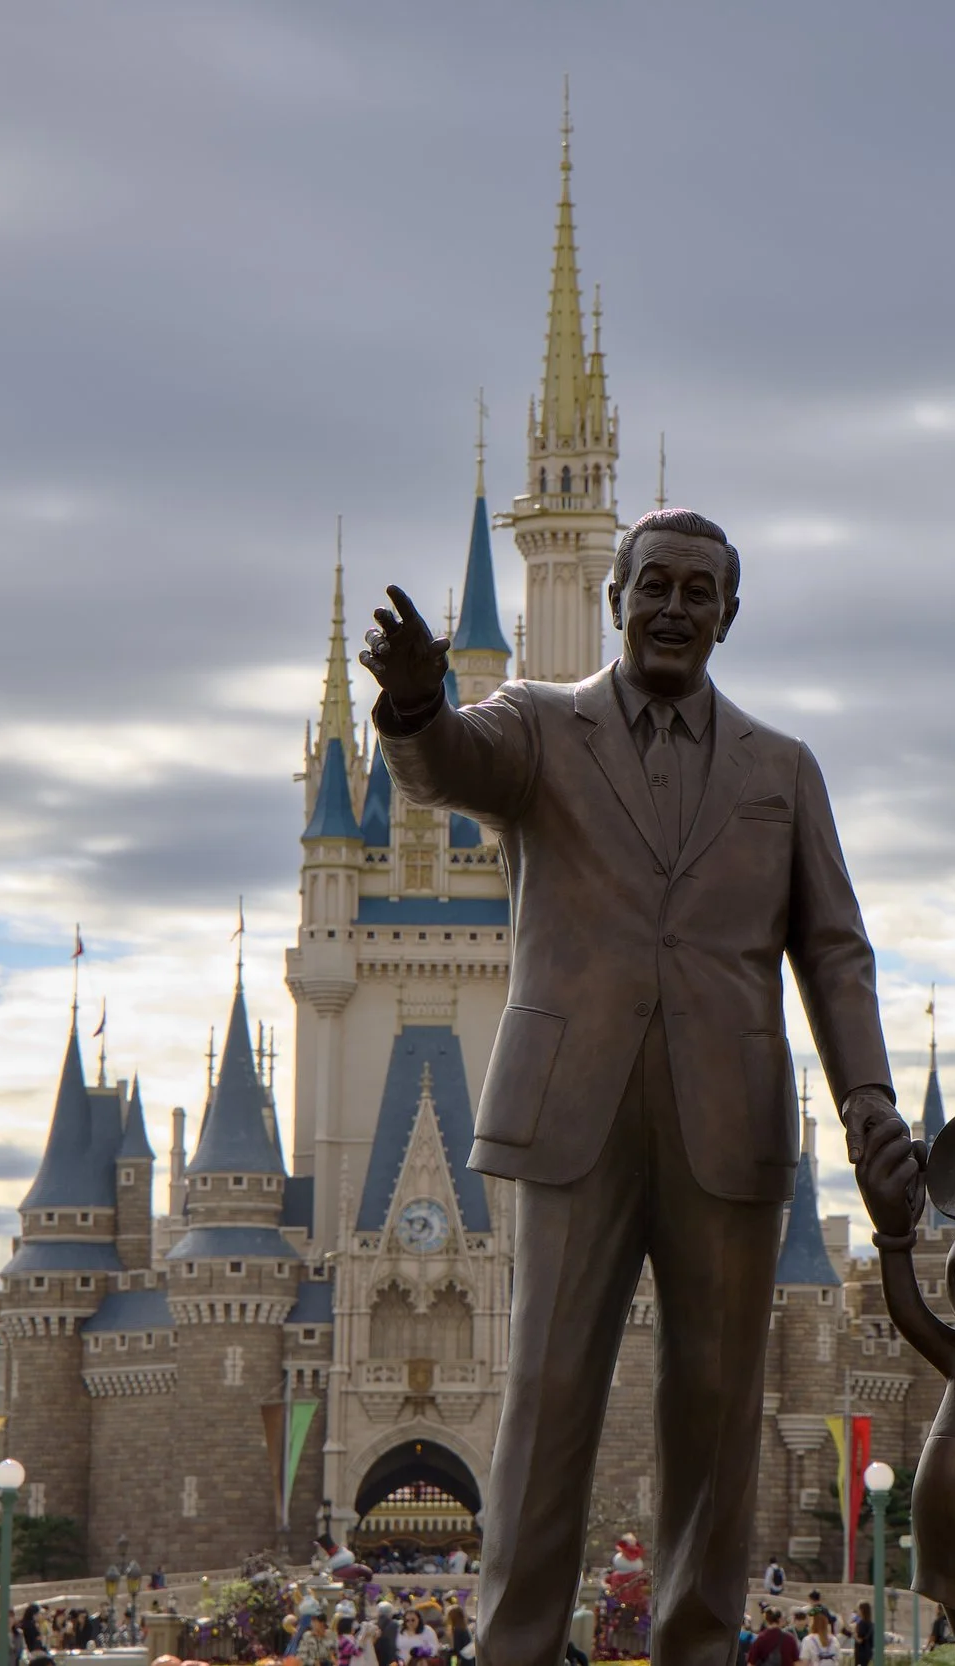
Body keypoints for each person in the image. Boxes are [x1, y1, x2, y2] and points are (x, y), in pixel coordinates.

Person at [365, 506, 909, 1666]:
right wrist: (416, 707)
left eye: (697, 591)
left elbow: (835, 948)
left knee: (716, 1418)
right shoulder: (540, 726)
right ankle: (513, 1649)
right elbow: (448, 765)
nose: (673, 606)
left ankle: (698, 1649)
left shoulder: (783, 769)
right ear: (612, 598)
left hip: (732, 1124)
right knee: (548, 1394)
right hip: (576, 1114)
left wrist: (867, 1098)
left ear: (729, 614)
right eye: (652, 584)